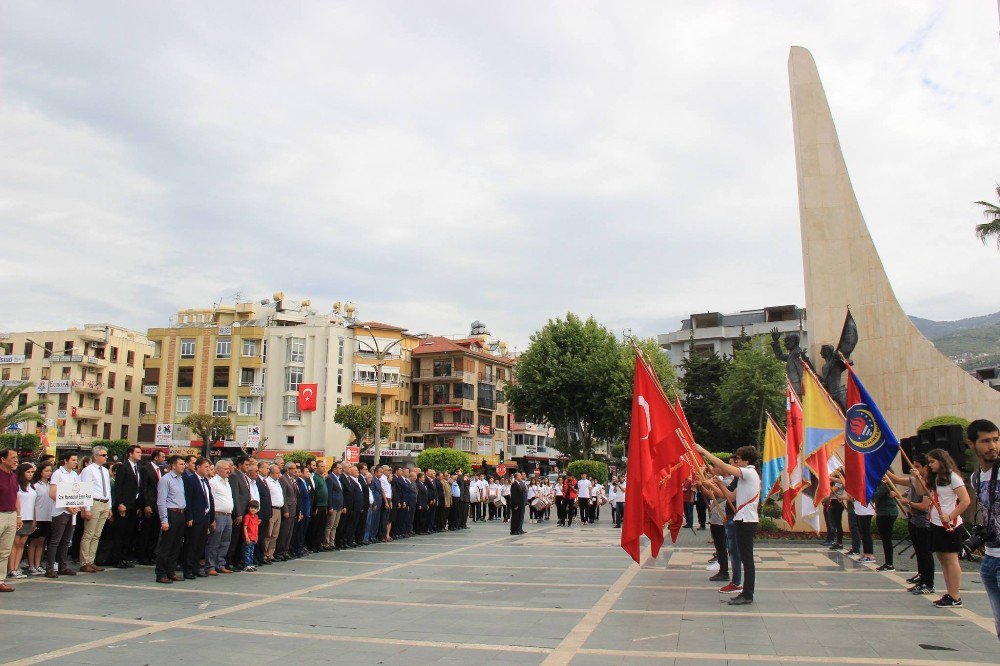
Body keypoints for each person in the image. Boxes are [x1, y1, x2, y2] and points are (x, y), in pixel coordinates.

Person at [697, 445, 760, 606]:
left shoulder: (749, 472)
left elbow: (724, 466)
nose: (736, 461)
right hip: (742, 519)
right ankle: (745, 592)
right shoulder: (744, 476)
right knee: (744, 558)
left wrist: (704, 451)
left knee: (747, 559)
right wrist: (718, 483)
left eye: (738, 459)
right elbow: (731, 497)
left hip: (747, 520)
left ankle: (747, 594)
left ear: (746, 460)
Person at [924, 448, 971, 608]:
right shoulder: (936, 478)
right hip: (936, 523)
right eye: (929, 462)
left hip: (950, 525)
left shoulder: (953, 477)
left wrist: (950, 516)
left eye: (932, 462)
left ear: (942, 461)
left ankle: (955, 595)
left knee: (951, 559)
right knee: (942, 559)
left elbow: (965, 501)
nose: (930, 465)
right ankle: (949, 592)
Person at [966, 419, 1000, 638]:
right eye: (986, 441)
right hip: (989, 559)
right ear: (972, 444)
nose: (993, 446)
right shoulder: (975, 478)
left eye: (996, 440)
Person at [890, 455, 935, 594]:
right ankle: (921, 578)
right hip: (914, 520)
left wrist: (908, 503)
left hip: (924, 522)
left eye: (918, 467)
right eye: (913, 466)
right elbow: (897, 480)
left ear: (926, 467)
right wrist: (883, 467)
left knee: (925, 553)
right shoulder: (914, 480)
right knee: (919, 552)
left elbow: (924, 505)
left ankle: (928, 583)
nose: (914, 469)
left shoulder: (928, 482)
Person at [47, 452, 81, 578]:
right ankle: (50, 567)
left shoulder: (74, 475)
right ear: (66, 461)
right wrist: (67, 506)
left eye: (76, 460)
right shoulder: (58, 473)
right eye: (73, 460)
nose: (75, 462)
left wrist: (76, 505)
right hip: (60, 511)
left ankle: (63, 565)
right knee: (56, 540)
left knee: (66, 540)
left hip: (72, 511)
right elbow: (53, 493)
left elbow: (78, 492)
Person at [78, 446, 112, 573]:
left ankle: (91, 560)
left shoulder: (104, 470)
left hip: (104, 502)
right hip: (93, 502)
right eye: (103, 455)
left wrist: (109, 506)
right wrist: (86, 508)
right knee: (89, 533)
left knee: (97, 534)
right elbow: (85, 488)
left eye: (106, 455)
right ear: (96, 456)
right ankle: (84, 561)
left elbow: (107, 489)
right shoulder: (88, 470)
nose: (105, 457)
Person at [155, 455, 187, 584]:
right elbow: (161, 501)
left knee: (176, 545)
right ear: (173, 465)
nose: (183, 466)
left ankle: (171, 571)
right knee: (166, 545)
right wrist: (164, 520)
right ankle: (161, 573)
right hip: (170, 512)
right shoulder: (165, 480)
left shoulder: (180, 479)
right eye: (181, 464)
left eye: (184, 464)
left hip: (180, 513)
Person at [181, 457, 214, 579]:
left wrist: (211, 518)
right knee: (191, 544)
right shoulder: (191, 480)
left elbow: (209, 499)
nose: (207, 469)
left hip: (205, 517)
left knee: (200, 544)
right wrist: (189, 517)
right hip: (195, 518)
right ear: (198, 467)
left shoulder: (205, 481)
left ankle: (196, 567)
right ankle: (188, 569)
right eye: (205, 467)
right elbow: (188, 500)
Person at [112, 444, 143, 569]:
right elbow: (118, 487)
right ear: (130, 454)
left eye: (140, 452)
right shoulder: (124, 467)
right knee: (121, 532)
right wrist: (120, 503)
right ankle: (117, 558)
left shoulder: (138, 468)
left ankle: (124, 557)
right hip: (124, 504)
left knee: (129, 532)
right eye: (137, 452)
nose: (140, 454)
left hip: (133, 505)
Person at [3, 458, 30, 586]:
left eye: (16, 458)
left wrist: (19, 516)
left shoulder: (13, 476)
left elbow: (16, 497)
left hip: (11, 514)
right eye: (13, 458)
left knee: (4, 551)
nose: (16, 461)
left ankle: (1, 580)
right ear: (3, 459)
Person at [206, 459, 234, 575]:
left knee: (225, 541)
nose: (228, 470)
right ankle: (210, 566)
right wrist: (211, 518)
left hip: (228, 515)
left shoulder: (227, 482)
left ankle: (220, 564)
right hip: (218, 515)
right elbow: (209, 500)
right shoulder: (213, 482)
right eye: (225, 468)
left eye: (229, 468)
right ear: (217, 470)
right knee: (214, 541)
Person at [27, 462, 54, 576]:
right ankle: (31, 565)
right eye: (46, 471)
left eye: (50, 471)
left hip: (48, 517)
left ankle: (38, 564)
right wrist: (34, 519)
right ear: (41, 471)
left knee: (42, 542)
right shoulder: (36, 486)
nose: (49, 473)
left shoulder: (51, 485)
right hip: (38, 517)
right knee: (33, 541)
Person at [872, 480, 899, 571]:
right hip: (882, 513)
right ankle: (888, 562)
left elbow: (875, 495)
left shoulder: (886, 484)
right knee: (885, 539)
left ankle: (889, 564)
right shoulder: (881, 484)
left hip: (887, 513)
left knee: (886, 539)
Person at [264, 464, 285, 561]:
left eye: (279, 473)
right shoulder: (267, 482)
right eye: (277, 473)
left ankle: (270, 554)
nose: (279, 475)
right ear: (271, 473)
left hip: (279, 509)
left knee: (275, 534)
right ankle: (264, 554)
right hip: (272, 509)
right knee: (269, 533)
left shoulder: (278, 482)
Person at [324, 462, 344, 549]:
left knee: (335, 525)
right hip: (333, 506)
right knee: (329, 525)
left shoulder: (338, 478)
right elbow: (329, 493)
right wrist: (330, 506)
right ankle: (326, 543)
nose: (341, 470)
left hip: (339, 505)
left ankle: (332, 542)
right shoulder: (330, 478)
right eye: (339, 468)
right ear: (334, 469)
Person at [852, 497, 876, 564]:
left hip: (866, 510)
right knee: (863, 533)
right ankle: (866, 554)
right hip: (859, 509)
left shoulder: (867, 486)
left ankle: (870, 555)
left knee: (866, 533)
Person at [242, 499, 261, 572]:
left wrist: (256, 537)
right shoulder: (247, 516)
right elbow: (245, 527)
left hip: (254, 537)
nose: (253, 510)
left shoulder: (256, 517)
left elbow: (256, 527)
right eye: (252, 508)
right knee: (247, 551)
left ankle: (250, 563)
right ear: (249, 508)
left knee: (251, 551)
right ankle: (246, 565)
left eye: (255, 508)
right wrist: (246, 537)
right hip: (248, 537)